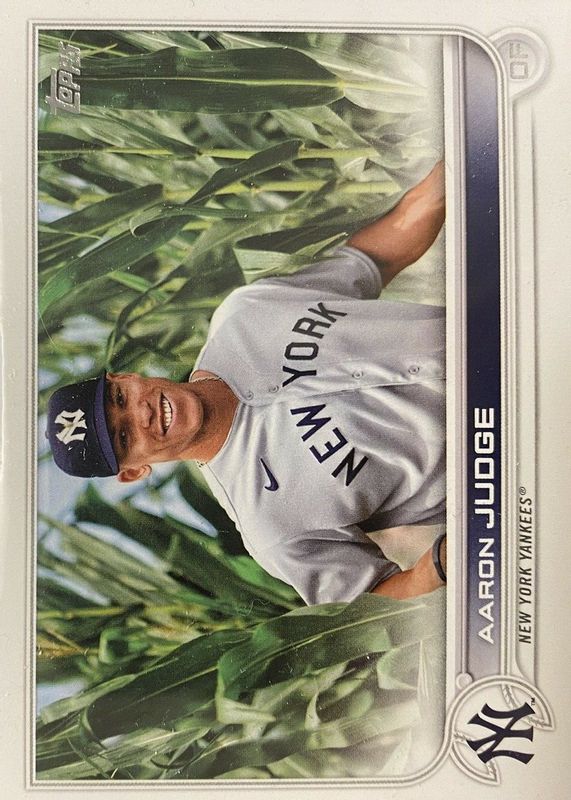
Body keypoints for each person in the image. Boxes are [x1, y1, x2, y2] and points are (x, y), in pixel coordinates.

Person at [47, 161, 447, 605]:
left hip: (502, 329)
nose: (140, 412)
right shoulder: (269, 525)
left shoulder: (244, 314)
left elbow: (377, 256)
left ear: (124, 376)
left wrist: (447, 178)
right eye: (124, 436)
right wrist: (442, 561)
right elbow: (375, 599)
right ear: (134, 471)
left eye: (120, 398)